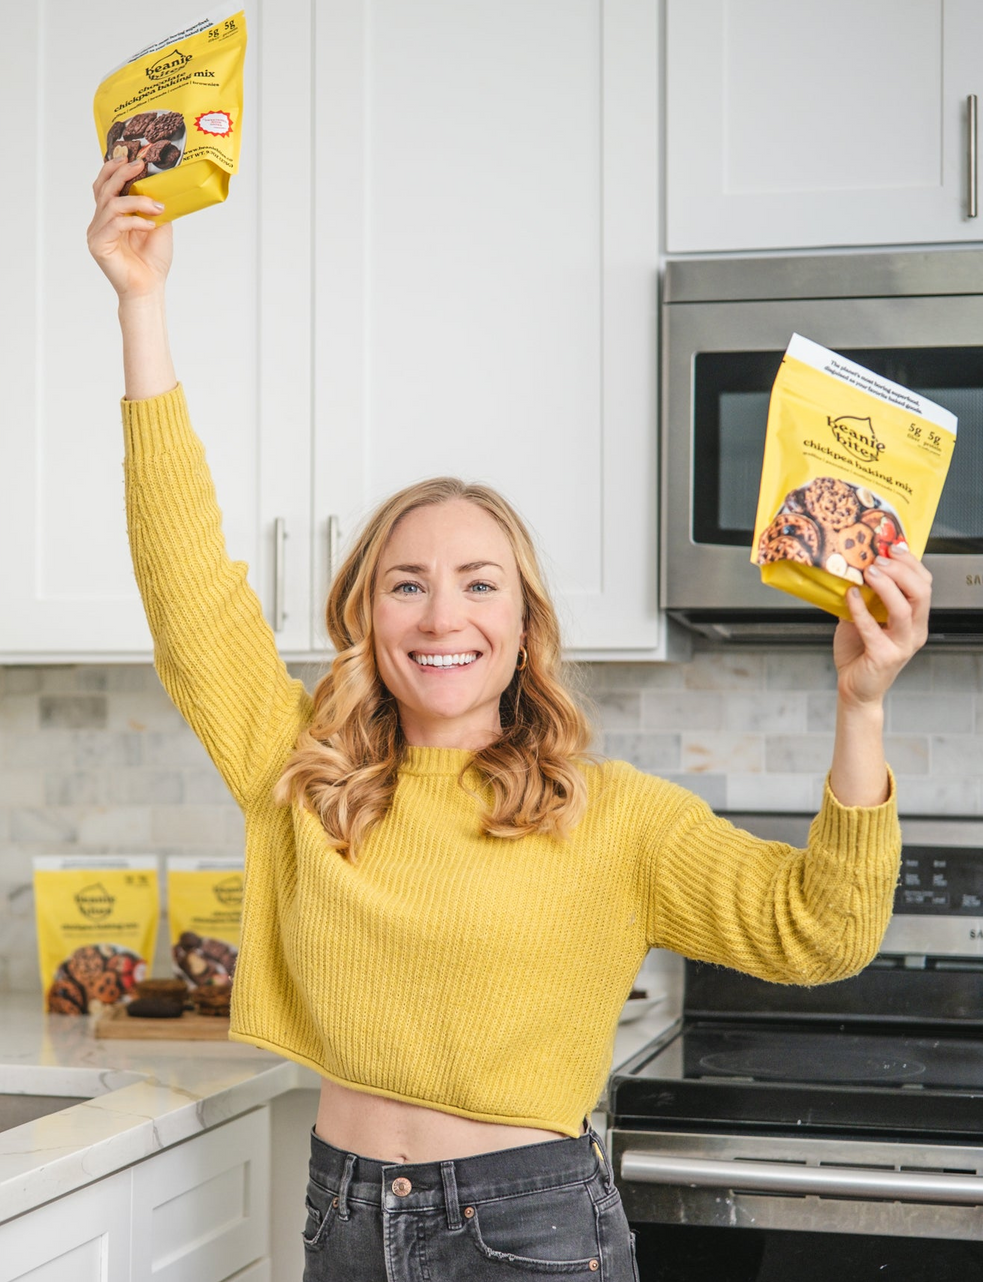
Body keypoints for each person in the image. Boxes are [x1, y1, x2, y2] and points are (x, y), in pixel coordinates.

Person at [87, 156, 925, 1281]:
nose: (444, 614)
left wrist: (859, 705)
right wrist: (143, 304)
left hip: (525, 1235)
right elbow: (188, 583)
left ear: (526, 626)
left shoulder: (611, 815)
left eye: (482, 583)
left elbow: (821, 931)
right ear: (365, 614)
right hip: (341, 1220)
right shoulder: (302, 772)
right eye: (406, 583)